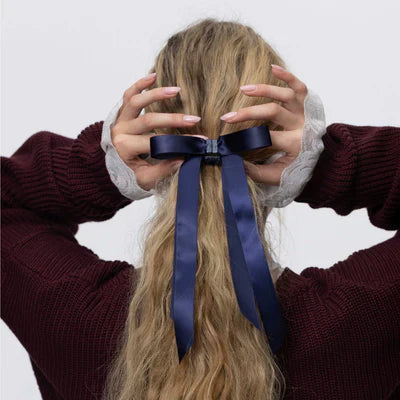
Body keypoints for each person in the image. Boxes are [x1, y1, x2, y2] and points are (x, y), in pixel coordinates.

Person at [1, 18, 399, 400]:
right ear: (280, 144)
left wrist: (100, 167)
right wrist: (330, 163)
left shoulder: (75, 313)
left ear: (152, 139)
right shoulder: (357, 319)